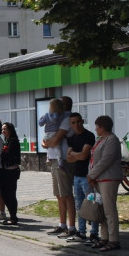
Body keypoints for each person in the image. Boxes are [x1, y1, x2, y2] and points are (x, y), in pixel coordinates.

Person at [87, 115, 125, 252]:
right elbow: (94, 160)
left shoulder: (112, 140)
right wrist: (92, 175)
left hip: (108, 179)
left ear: (103, 127)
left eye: (97, 126)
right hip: (99, 179)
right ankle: (104, 237)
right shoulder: (101, 139)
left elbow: (105, 161)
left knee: (109, 209)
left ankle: (114, 239)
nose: (95, 129)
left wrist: (91, 175)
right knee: (102, 210)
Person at [41, 97, 76, 236]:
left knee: (66, 194)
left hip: (63, 160)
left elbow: (55, 140)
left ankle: (72, 227)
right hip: (54, 159)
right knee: (59, 194)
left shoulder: (67, 119)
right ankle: (62, 224)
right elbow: (48, 141)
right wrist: (46, 143)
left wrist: (46, 143)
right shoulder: (58, 118)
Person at [65, 113, 100, 244]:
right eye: (73, 123)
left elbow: (84, 156)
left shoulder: (89, 135)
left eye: (78, 122)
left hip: (87, 176)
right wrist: (75, 155)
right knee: (79, 205)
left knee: (92, 204)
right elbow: (68, 158)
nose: (76, 125)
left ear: (82, 121)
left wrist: (73, 154)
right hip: (76, 176)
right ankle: (81, 232)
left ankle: (94, 233)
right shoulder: (72, 138)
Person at [0, 122, 22, 225]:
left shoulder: (13, 141)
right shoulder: (6, 141)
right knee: (4, 193)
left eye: (5, 129)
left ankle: (13, 217)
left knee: (10, 195)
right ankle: (12, 216)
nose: (3, 131)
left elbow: (6, 155)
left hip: (11, 171)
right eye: (2, 129)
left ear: (10, 130)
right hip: (5, 171)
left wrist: (0, 154)